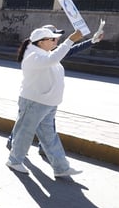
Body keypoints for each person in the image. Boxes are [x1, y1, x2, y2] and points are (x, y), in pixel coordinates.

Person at [6, 26, 84, 178]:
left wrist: (88, 41)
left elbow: (55, 58)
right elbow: (53, 59)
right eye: (52, 39)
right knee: (25, 132)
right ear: (41, 42)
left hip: (48, 103)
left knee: (49, 136)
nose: (56, 41)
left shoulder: (44, 53)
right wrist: (70, 41)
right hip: (34, 102)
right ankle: (14, 160)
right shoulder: (33, 56)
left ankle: (61, 167)